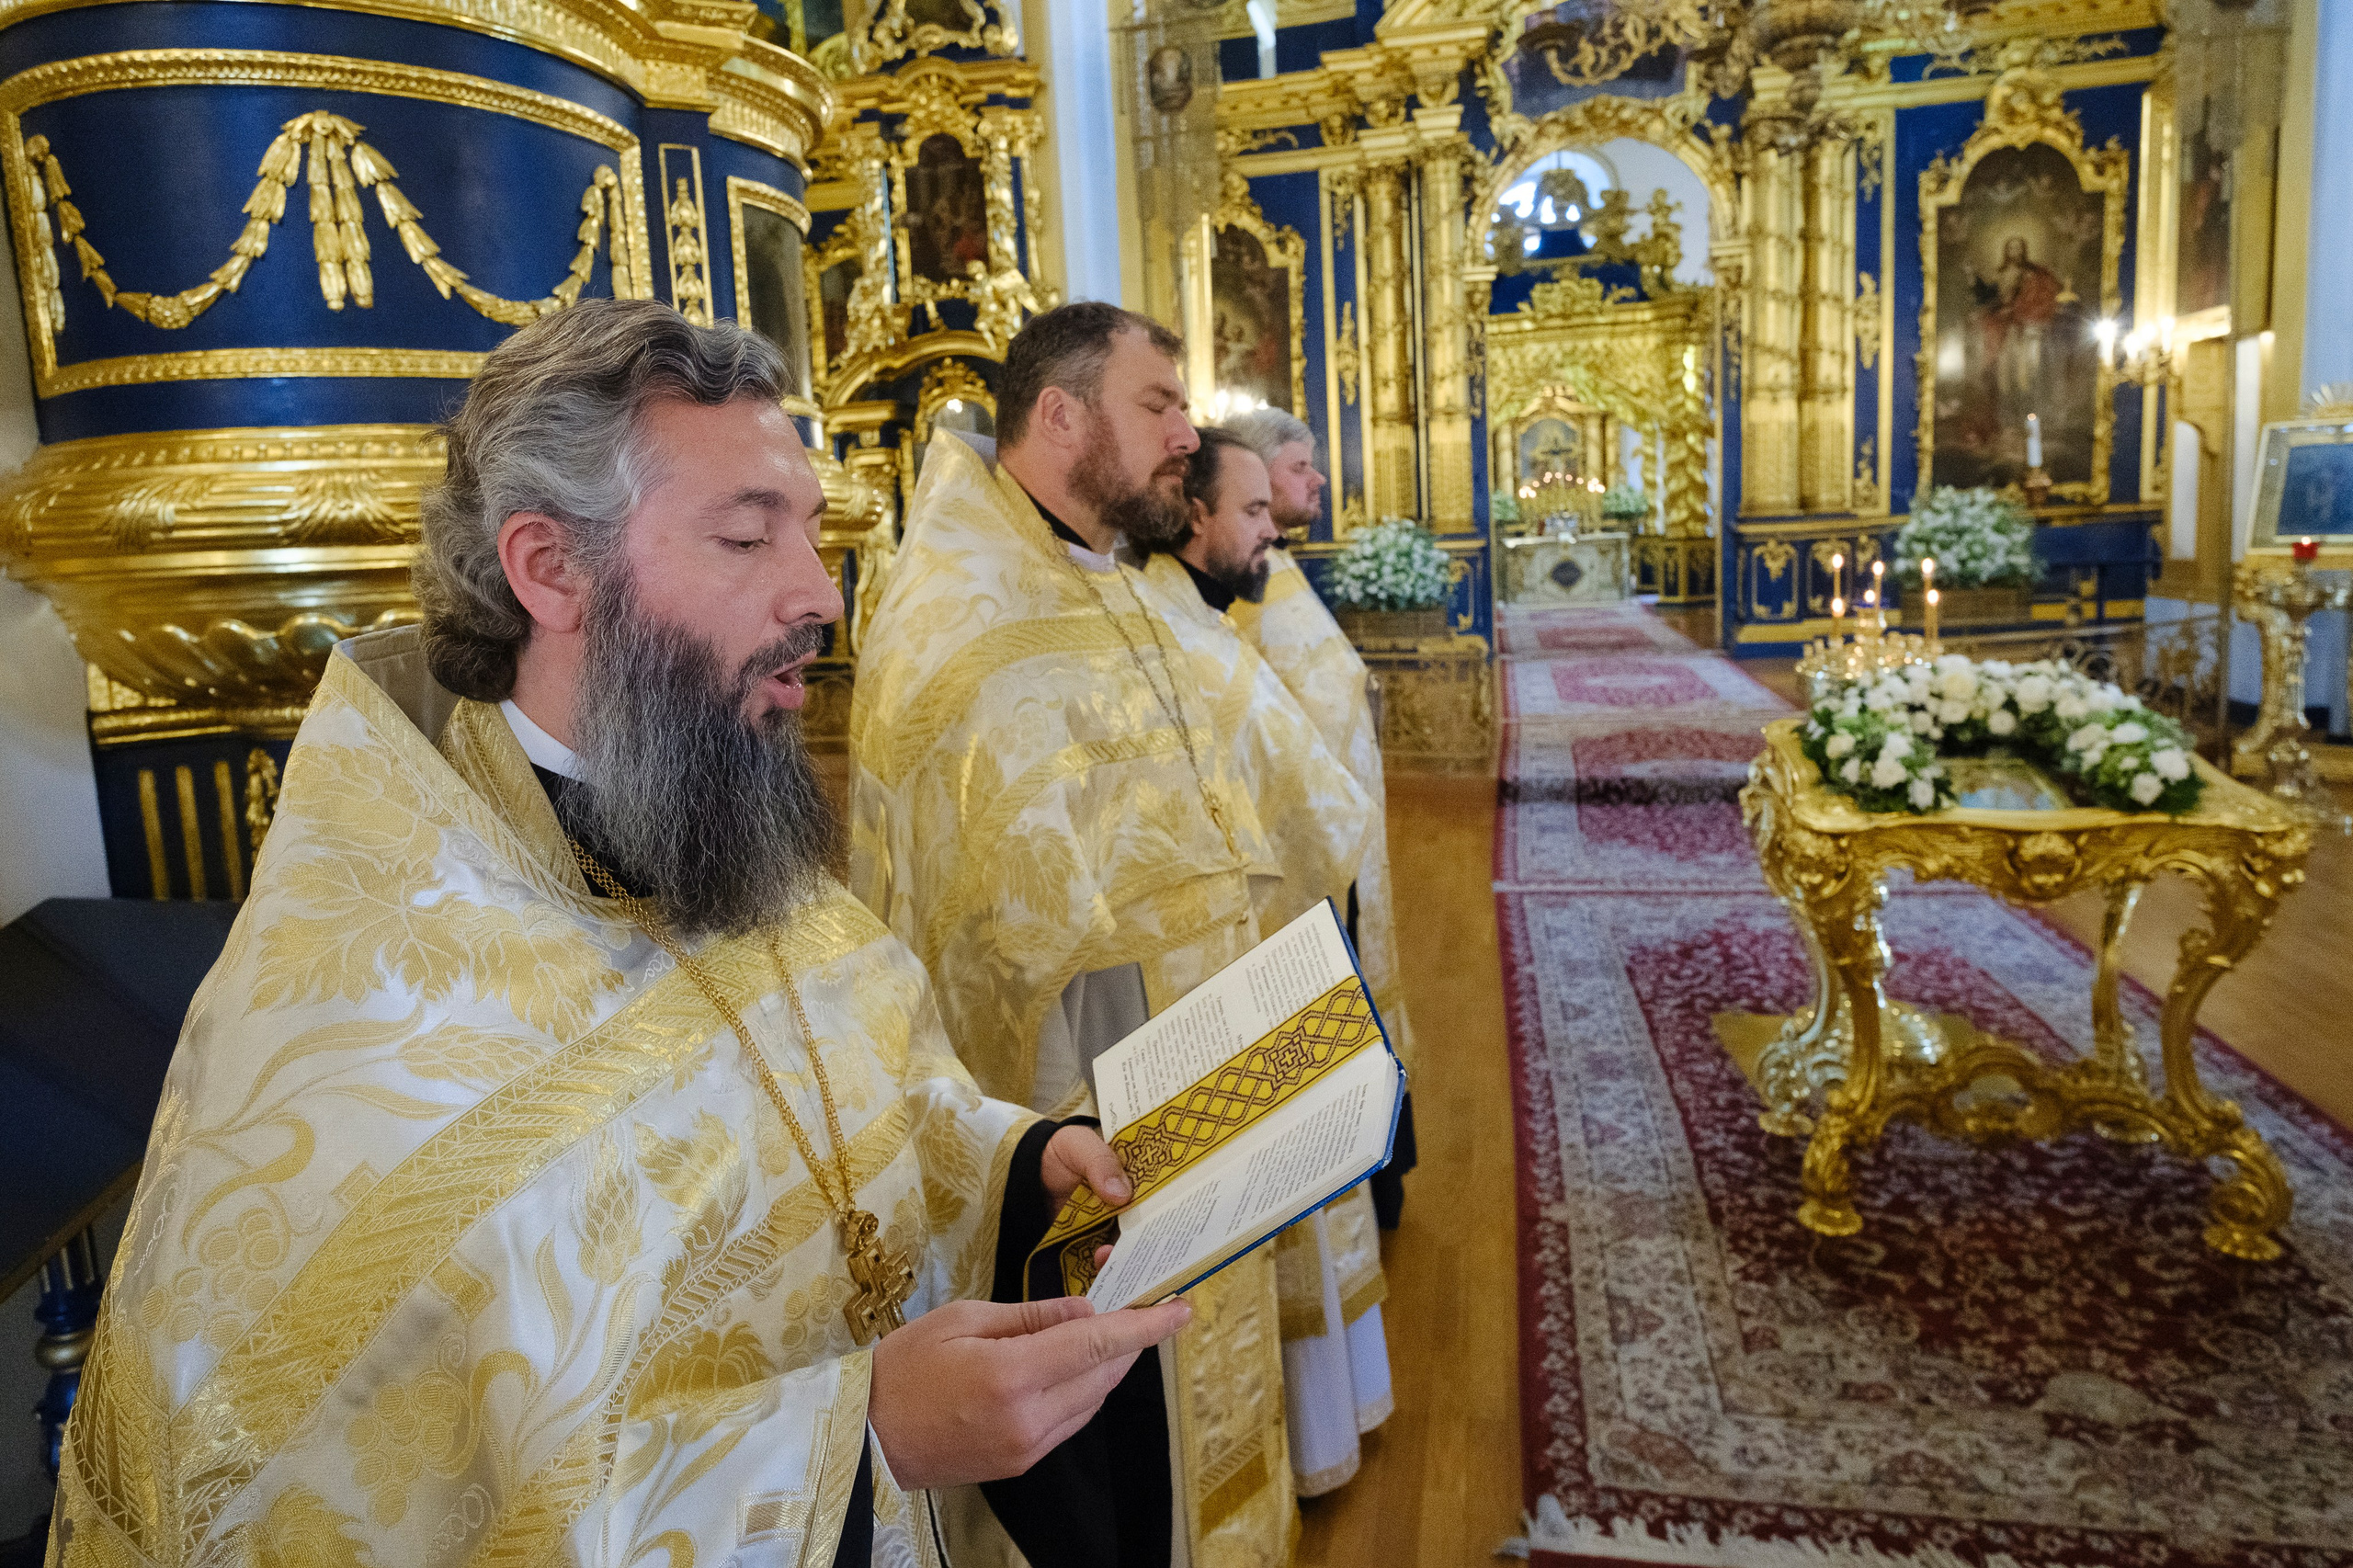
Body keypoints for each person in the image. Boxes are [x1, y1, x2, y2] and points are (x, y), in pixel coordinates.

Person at [47, 300, 1190, 1568]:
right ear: (551, 568)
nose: (819, 592)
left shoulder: (709, 806)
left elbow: (838, 1103)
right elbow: (373, 1504)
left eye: (811, 529)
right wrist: (856, 1437)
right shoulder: (366, 1030)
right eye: (748, 534)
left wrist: (1015, 1159)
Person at [850, 302, 1295, 1567]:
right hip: (1076, 1085)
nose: (1186, 433)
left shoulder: (1102, 574)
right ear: (1060, 413)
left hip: (1194, 1036)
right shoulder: (956, 606)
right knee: (1108, 1419)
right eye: (1158, 403)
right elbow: (983, 922)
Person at [1133, 426, 1395, 1498]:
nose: (1272, 529)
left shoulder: (1201, 615)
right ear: (1193, 515)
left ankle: (1320, 1418)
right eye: (1252, 512)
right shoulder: (1166, 623)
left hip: (1273, 937)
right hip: (1224, 963)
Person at [1224, 406, 1419, 1230]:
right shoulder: (1232, 588)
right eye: (1301, 469)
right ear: (1257, 474)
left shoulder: (1278, 565)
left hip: (1338, 830)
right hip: (1296, 848)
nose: (1316, 483)